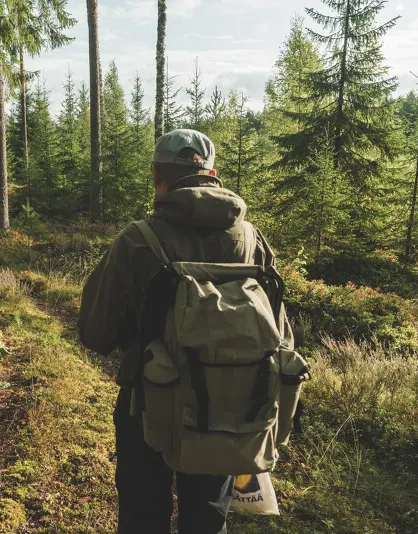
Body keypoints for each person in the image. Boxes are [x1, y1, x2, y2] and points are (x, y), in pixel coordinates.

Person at [78, 129, 283, 534]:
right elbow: (273, 321)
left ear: (157, 176)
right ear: (213, 173)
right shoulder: (250, 239)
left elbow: (95, 333)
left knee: (143, 515)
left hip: (147, 404)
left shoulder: (139, 240)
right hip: (226, 404)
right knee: (207, 516)